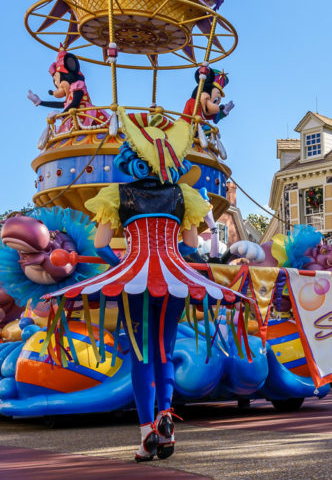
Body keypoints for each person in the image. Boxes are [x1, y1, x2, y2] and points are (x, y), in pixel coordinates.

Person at [45, 110, 242, 462]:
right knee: (165, 350)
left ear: (132, 156)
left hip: (134, 279)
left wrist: (123, 266)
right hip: (172, 280)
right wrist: (171, 258)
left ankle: (146, 432)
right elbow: (189, 246)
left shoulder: (116, 194)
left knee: (140, 352)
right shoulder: (185, 196)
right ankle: (167, 418)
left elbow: (103, 245)